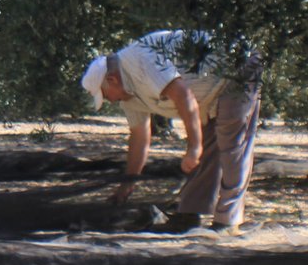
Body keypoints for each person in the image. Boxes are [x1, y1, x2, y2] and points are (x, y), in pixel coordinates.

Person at [81, 30, 262, 233]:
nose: (109, 101)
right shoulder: (127, 96)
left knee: (231, 145)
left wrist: (193, 147)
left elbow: (184, 96)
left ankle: (228, 221)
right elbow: (140, 137)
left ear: (112, 79)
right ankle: (189, 215)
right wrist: (127, 185)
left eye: (105, 95)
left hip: (236, 70)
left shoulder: (138, 59)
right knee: (209, 151)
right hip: (207, 97)